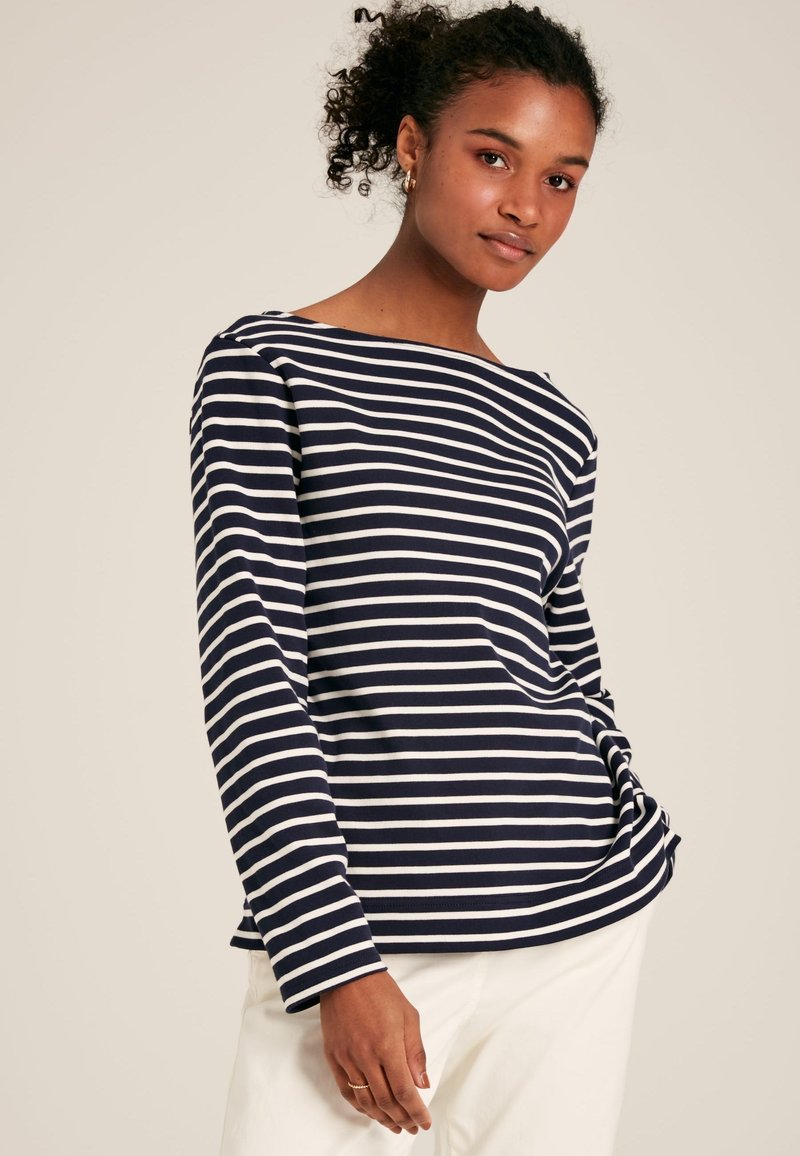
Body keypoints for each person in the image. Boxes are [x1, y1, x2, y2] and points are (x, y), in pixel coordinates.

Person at [189, 2, 682, 1153]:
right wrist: (331, 958)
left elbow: (565, 661)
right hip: (361, 935)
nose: (525, 206)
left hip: (572, 925)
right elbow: (252, 671)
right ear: (412, 146)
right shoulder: (269, 365)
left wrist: (626, 819)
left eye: (561, 180)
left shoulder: (552, 423)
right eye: (492, 157)